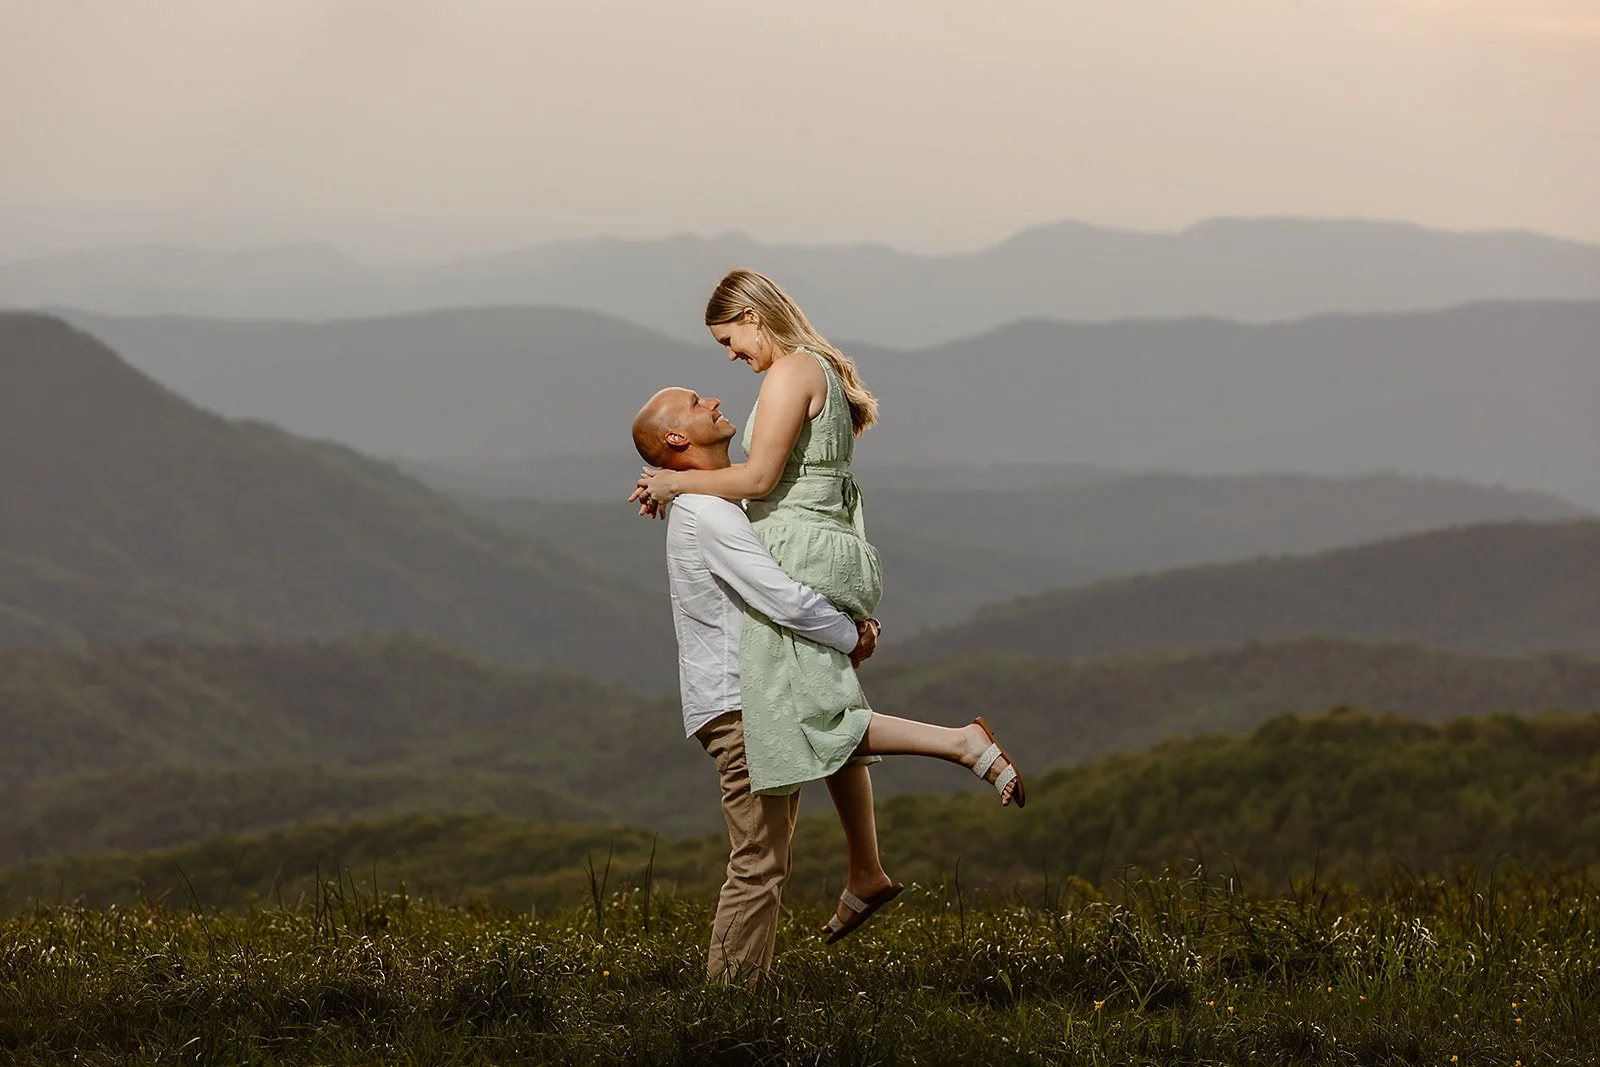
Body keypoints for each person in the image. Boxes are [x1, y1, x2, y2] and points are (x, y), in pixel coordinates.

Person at [631, 269, 1025, 942]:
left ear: (754, 316)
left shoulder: (787, 375)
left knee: (822, 714)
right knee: (822, 708)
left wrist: (675, 482)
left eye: (729, 339)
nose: (729, 357)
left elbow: (757, 481)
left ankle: (960, 744)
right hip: (825, 538)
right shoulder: (806, 370)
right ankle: (866, 868)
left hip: (800, 544)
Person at [631, 384, 881, 983]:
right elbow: (781, 598)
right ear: (676, 438)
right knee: (759, 860)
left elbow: (756, 478)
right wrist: (851, 636)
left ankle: (742, 992)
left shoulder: (711, 501)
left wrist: (666, 480)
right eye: (696, 403)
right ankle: (729, 1005)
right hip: (740, 705)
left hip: (747, 697)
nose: (714, 401)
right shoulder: (710, 512)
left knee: (767, 857)